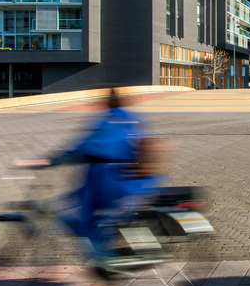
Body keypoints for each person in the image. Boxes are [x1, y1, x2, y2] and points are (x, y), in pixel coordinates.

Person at [14, 88, 156, 270]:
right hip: (130, 179)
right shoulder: (131, 118)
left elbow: (81, 148)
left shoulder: (106, 122)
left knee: (84, 216)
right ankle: (107, 254)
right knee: (87, 211)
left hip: (106, 181)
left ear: (106, 103)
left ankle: (104, 259)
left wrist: (45, 161)